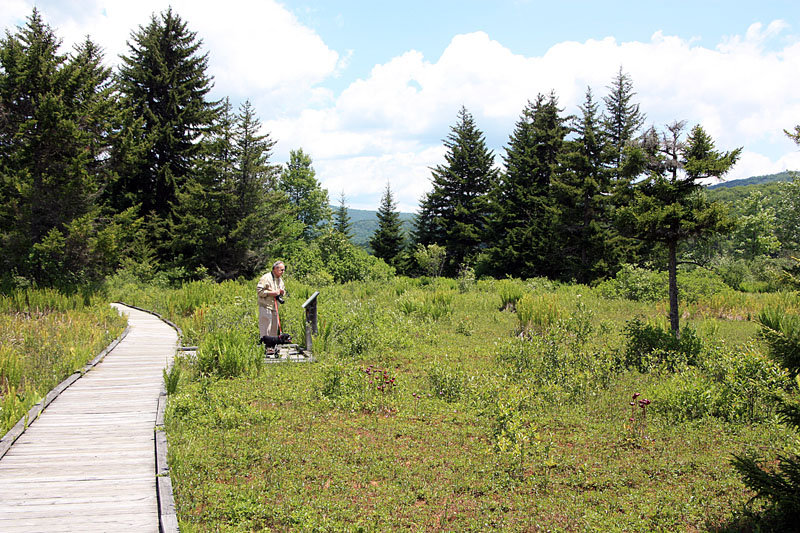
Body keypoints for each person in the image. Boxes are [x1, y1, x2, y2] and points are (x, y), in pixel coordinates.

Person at [257, 260, 286, 339]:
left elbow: (283, 290)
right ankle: (265, 344)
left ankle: (273, 345)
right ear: (275, 269)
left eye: (284, 270)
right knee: (266, 330)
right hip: (265, 306)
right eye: (281, 270)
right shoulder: (266, 278)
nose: (283, 272)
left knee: (274, 330)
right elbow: (259, 291)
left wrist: (282, 292)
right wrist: (271, 293)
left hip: (275, 307)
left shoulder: (280, 280)